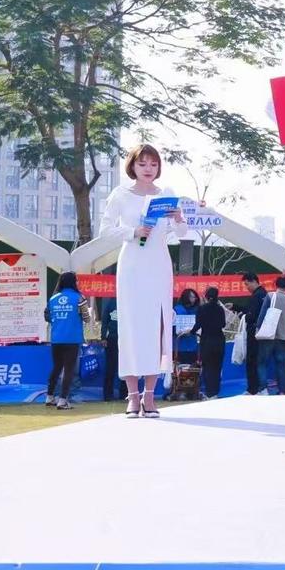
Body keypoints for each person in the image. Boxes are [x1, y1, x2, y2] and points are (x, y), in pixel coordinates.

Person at [99, 144, 186, 419]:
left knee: (155, 328)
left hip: (158, 263)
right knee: (130, 328)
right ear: (133, 166)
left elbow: (182, 232)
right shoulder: (121, 194)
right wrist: (133, 231)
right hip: (132, 265)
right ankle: (132, 396)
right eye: (143, 164)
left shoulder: (166, 194)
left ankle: (150, 395)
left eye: (153, 164)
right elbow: (105, 231)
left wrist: (178, 218)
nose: (148, 169)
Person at [44, 271, 86, 410]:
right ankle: (63, 400)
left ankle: (49, 396)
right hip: (72, 339)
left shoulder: (53, 298)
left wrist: (60, 321)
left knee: (56, 367)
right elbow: (87, 317)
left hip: (56, 338)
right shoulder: (79, 298)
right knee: (69, 369)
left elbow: (47, 316)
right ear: (73, 282)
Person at [259, 276, 285, 396]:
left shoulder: (270, 296)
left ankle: (263, 389)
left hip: (269, 335)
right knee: (281, 365)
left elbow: (262, 314)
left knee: (262, 362)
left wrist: (258, 328)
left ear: (275, 285)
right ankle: (283, 390)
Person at [196, 286, 227, 400]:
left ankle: (209, 392)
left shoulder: (202, 308)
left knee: (207, 367)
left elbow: (198, 324)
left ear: (206, 296)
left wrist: (192, 331)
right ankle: (215, 392)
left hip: (207, 340)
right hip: (219, 340)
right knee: (217, 367)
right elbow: (223, 324)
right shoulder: (220, 309)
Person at [240, 272, 268, 395]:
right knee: (259, 361)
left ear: (254, 281)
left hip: (254, 332)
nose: (247, 287)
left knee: (252, 360)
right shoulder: (264, 294)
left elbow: (251, 315)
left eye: (247, 284)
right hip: (263, 333)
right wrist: (236, 307)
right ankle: (260, 388)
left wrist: (243, 316)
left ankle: (253, 389)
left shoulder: (256, 296)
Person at [97, 296, 120, 401]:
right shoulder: (111, 302)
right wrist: (103, 337)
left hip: (126, 340)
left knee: (126, 367)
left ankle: (126, 393)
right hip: (112, 339)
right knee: (110, 367)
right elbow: (105, 320)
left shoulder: (130, 302)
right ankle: (108, 394)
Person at [174, 288, 201, 370]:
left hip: (193, 346)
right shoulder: (176, 310)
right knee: (179, 371)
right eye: (192, 297)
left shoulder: (197, 310)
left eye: (195, 297)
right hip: (179, 346)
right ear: (186, 297)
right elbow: (172, 326)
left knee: (193, 370)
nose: (195, 299)